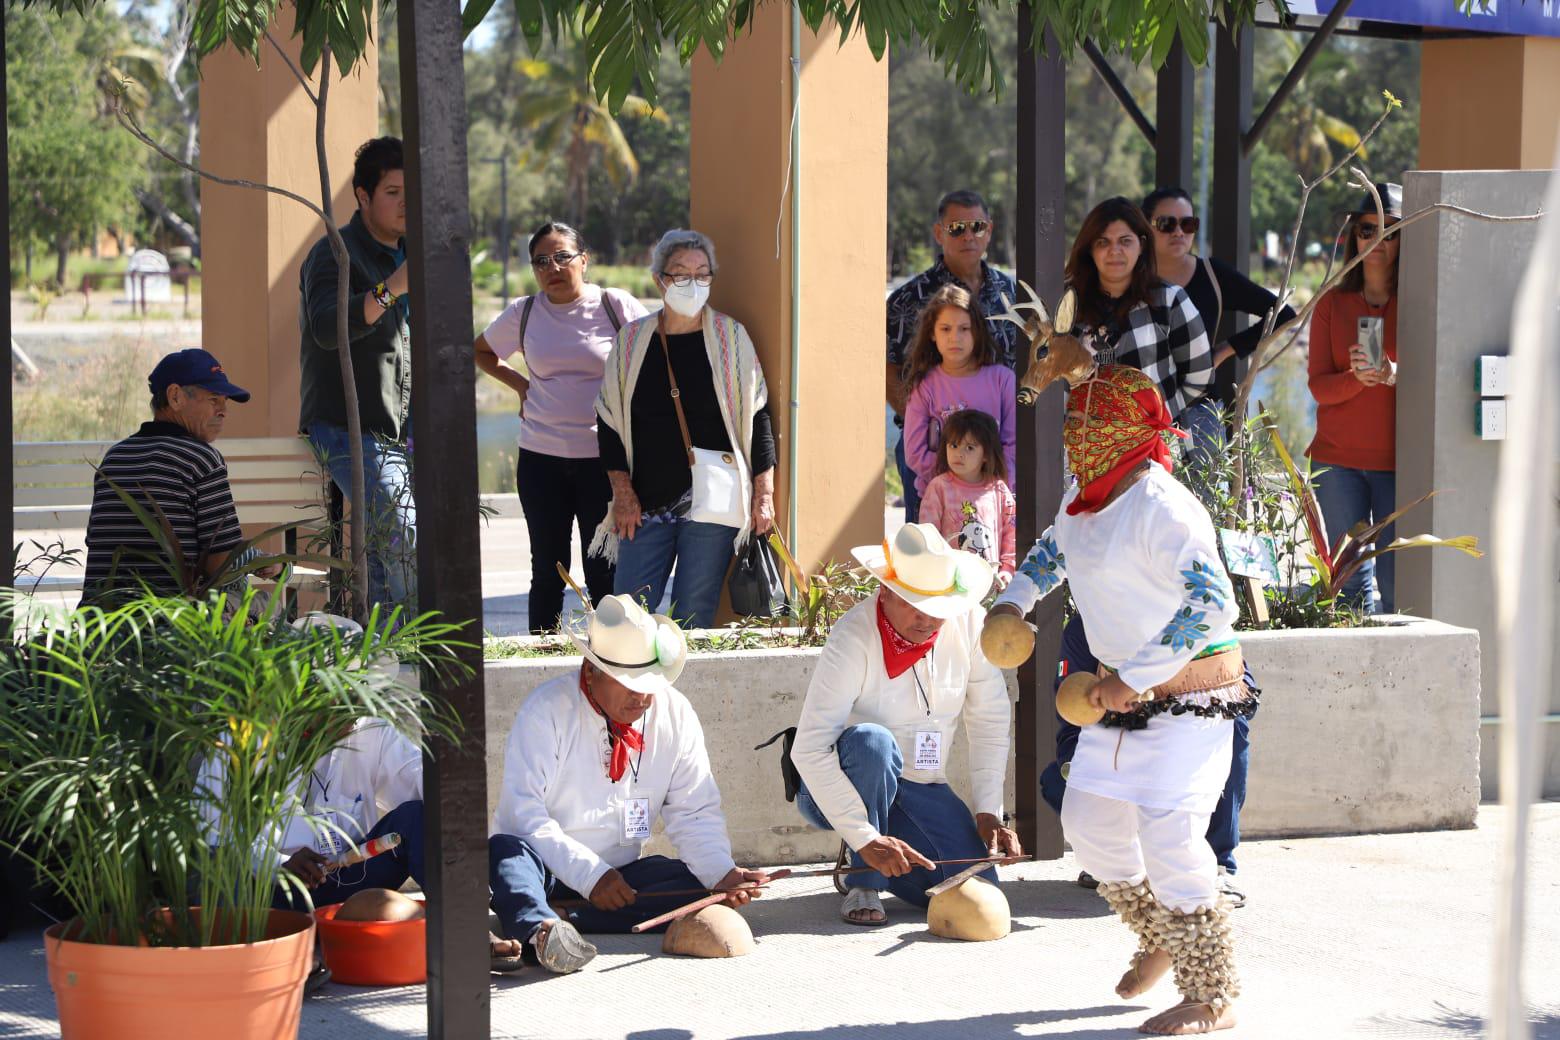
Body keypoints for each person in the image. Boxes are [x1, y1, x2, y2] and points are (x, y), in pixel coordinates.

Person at [991, 363, 1252, 1035]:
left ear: (1133, 433)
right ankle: (1167, 933)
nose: (1079, 437)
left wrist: (1132, 676)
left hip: (1192, 699)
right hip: (1124, 698)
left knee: (1171, 836)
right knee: (1090, 824)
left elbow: (1214, 602)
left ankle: (1211, 995)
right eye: (1074, 424)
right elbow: (1054, 550)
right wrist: (1014, 603)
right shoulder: (1088, 494)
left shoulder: (1164, 506)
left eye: (1094, 426)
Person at [489, 594, 768, 973]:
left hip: (622, 878)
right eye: (628, 682)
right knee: (506, 855)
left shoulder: (675, 712)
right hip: (547, 870)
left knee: (700, 886)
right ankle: (543, 928)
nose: (642, 697)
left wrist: (721, 873)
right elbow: (524, 818)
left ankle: (566, 918)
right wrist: (591, 876)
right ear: (590, 671)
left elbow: (694, 809)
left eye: (650, 682)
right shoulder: (545, 711)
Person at [791, 522, 1021, 926]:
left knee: (974, 890)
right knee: (871, 744)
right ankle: (863, 875)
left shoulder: (968, 622)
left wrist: (989, 810)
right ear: (886, 592)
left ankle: (877, 854)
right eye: (916, 605)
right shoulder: (853, 637)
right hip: (844, 779)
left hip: (921, 786)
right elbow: (809, 749)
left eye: (939, 609)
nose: (928, 620)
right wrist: (866, 838)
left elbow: (989, 717)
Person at [590, 229, 776, 628]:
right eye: (680, 274)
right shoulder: (632, 341)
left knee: (693, 615)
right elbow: (608, 422)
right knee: (625, 615)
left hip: (714, 502)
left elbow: (758, 416)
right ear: (659, 279)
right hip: (644, 504)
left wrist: (764, 494)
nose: (693, 284)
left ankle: (682, 691)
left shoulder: (731, 337)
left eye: (702, 274)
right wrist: (622, 492)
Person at [474, 222, 650, 633]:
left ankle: (610, 654)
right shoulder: (524, 312)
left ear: (584, 261)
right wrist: (521, 386)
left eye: (562, 257)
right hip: (541, 460)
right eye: (541, 261)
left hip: (604, 463)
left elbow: (654, 354)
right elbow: (481, 351)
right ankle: (542, 654)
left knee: (603, 569)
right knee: (548, 568)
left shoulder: (614, 305)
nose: (552, 267)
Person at [1041, 614, 1258, 907]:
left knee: (1233, 731)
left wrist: (1154, 685)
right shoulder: (1086, 625)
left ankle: (1218, 865)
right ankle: (1123, 871)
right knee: (1062, 783)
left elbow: (1242, 689)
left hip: (1189, 733)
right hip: (1118, 737)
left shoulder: (1188, 606)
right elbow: (1070, 711)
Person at [299, 136, 415, 612]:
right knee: (404, 535)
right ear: (363, 197)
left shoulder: (413, 251)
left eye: (413, 191)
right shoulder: (333, 253)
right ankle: (418, 645)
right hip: (349, 428)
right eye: (393, 192)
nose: (407, 203)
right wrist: (393, 288)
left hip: (402, 432)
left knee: (393, 550)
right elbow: (328, 328)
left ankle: (392, 657)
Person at [83, 348, 269, 602]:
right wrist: (273, 564)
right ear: (175, 397)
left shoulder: (115, 457)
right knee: (266, 606)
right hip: (173, 628)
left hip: (102, 622)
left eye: (225, 402)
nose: (224, 411)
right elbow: (223, 564)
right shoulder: (201, 459)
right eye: (214, 399)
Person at [886, 189, 1020, 523]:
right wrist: (928, 426)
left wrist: (1001, 462)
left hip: (996, 457)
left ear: (989, 230)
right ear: (938, 233)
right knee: (929, 554)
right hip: (930, 453)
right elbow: (889, 368)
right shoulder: (908, 298)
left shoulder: (1010, 294)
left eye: (976, 226)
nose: (968, 236)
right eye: (956, 228)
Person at [1141, 186, 1296, 463]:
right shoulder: (1130, 281)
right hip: (1141, 414)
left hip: (1200, 413)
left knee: (1204, 505)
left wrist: (1226, 349)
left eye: (1187, 224)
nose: (1179, 232)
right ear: (1146, 228)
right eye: (1166, 224)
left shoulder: (1212, 274)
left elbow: (1284, 313)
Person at [1307, 183, 1402, 614]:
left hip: (1400, 465)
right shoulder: (1331, 301)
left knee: (1399, 586)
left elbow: (1435, 379)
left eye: (1391, 229)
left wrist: (1393, 375)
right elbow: (1318, 387)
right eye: (1368, 229)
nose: (1377, 239)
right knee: (1348, 589)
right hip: (1338, 462)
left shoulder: (1421, 301)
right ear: (1355, 238)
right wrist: (1357, 379)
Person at [1064, 196, 1213, 427]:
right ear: (1090, 250)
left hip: (1155, 453)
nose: (1115, 250)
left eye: (1125, 241)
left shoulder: (1169, 301)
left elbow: (1199, 377)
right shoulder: (1069, 306)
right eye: (1103, 242)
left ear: (1142, 245)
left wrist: (1154, 419)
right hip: (1084, 452)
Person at [901, 284, 1018, 511]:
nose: (955, 337)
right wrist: (956, 481)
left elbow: (1013, 444)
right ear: (932, 334)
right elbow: (914, 453)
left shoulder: (1003, 381)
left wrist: (988, 481)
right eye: (945, 329)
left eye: (964, 328)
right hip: (939, 502)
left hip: (993, 501)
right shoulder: (924, 386)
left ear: (977, 332)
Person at [917, 409, 1016, 587]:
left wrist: (1007, 569)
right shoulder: (939, 487)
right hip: (950, 584)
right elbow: (928, 535)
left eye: (969, 448)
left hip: (990, 584)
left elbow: (1011, 533)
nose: (959, 453)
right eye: (953, 445)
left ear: (986, 454)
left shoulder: (998, 490)